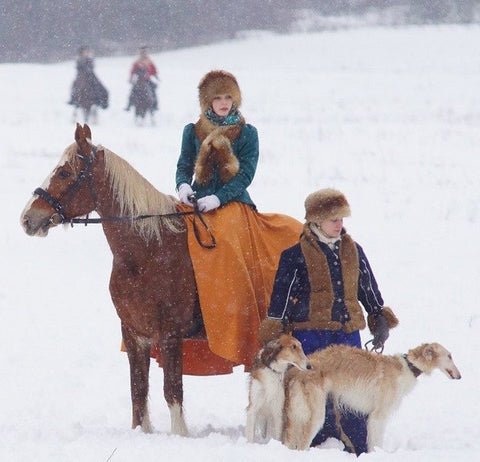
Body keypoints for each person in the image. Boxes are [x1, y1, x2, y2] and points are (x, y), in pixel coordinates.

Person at [174, 70, 303, 371]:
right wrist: (183, 186)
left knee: (225, 240)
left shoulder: (248, 133)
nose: (223, 103)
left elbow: (245, 175)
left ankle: (228, 318)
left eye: (228, 97)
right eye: (217, 98)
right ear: (207, 101)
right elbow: (182, 165)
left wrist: (219, 198)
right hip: (196, 201)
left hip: (231, 202)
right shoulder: (191, 131)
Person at [258, 188, 399, 455]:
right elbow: (281, 299)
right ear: (316, 220)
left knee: (354, 394)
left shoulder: (354, 250)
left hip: (348, 335)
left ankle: (356, 445)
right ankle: (317, 445)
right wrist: (275, 329)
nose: (339, 224)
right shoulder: (294, 255)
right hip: (310, 333)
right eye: (334, 218)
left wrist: (378, 317)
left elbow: (368, 289)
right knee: (313, 394)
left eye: (342, 218)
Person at [125, 46, 158, 111]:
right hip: (139, 80)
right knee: (133, 91)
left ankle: (155, 105)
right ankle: (129, 105)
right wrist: (131, 78)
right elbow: (133, 71)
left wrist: (155, 75)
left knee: (153, 90)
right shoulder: (137, 62)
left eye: (145, 52)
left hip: (147, 80)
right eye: (142, 52)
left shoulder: (149, 61)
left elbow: (153, 70)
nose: (143, 54)